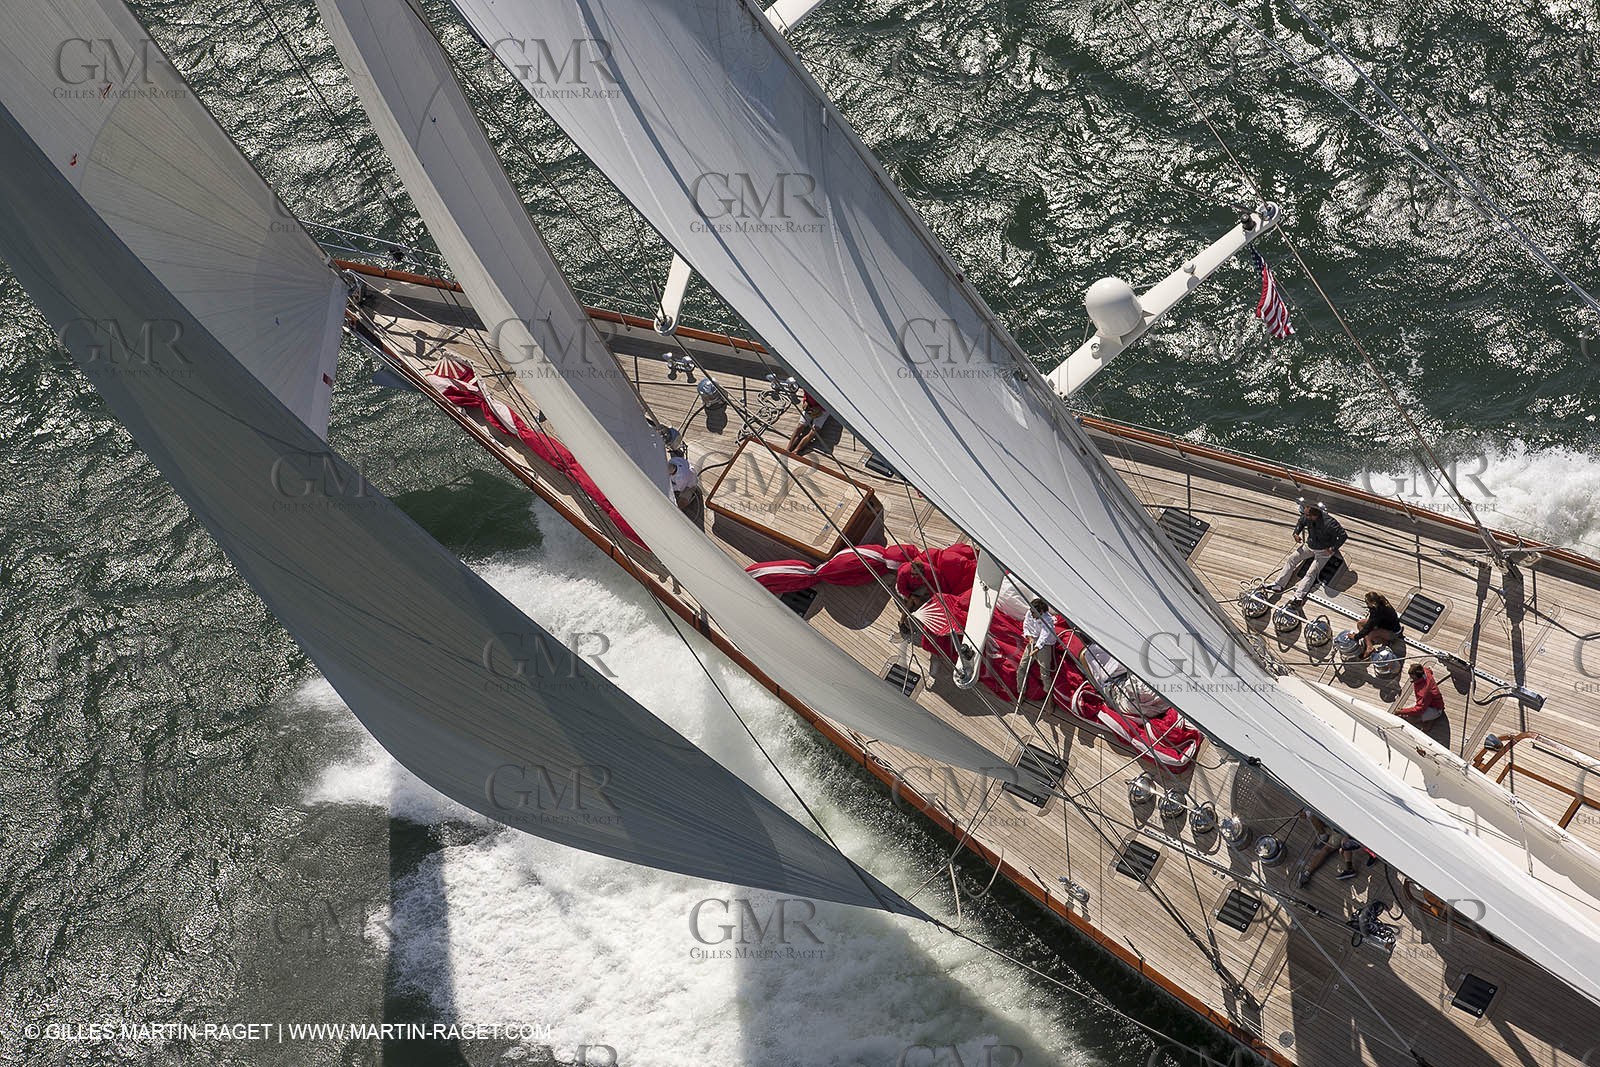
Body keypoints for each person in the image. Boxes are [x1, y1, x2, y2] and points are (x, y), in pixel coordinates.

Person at [1266, 501, 1348, 606]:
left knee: (1311, 573)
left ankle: (1298, 596)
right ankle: (1279, 585)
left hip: (1324, 551)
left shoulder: (1330, 523)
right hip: (1309, 546)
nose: (1305, 517)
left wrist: (1332, 548)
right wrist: (1296, 533)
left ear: (1315, 515)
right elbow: (1300, 522)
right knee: (1292, 559)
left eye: (1307, 515)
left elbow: (1343, 535)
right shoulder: (1307, 517)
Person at [1020, 598, 1061, 692]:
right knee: (1022, 667)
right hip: (1033, 640)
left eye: (1034, 613)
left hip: (1045, 644)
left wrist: (1036, 648)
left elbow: (1044, 635)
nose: (1032, 615)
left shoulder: (1048, 620)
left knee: (1044, 672)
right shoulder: (1030, 612)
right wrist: (1029, 637)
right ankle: (1021, 691)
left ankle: (1048, 695)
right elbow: (1026, 625)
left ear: (1041, 611)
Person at [1350, 590, 1401, 660]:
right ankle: (1371, 642)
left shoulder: (1378, 612)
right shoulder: (1381, 602)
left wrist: (1355, 637)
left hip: (1393, 632)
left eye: (1367, 603)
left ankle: (1370, 647)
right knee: (1360, 623)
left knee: (1369, 634)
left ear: (1372, 603)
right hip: (1383, 625)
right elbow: (1371, 623)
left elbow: (1368, 628)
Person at [787, 389, 830, 455]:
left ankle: (796, 451)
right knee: (799, 427)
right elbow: (806, 395)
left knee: (813, 432)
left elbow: (829, 402)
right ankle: (788, 449)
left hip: (823, 410)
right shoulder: (808, 385)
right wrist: (805, 401)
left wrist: (819, 408)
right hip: (809, 407)